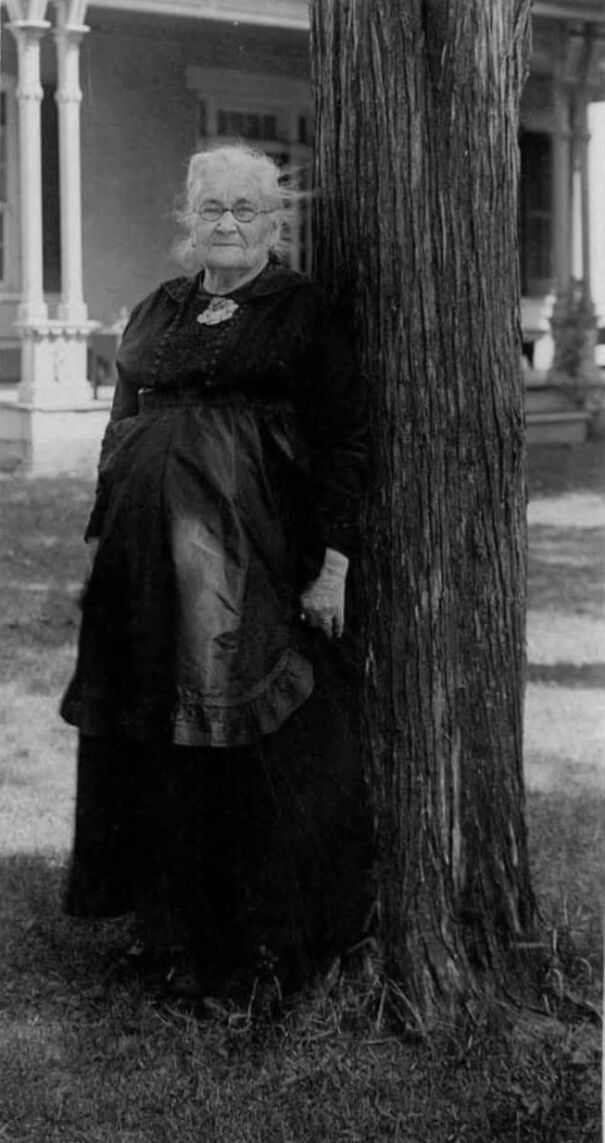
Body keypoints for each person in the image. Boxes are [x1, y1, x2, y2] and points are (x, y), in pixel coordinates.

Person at [60, 144, 372, 1001]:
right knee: (153, 745)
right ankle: (165, 931)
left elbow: (345, 443)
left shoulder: (301, 311)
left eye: (245, 209)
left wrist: (333, 565)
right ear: (185, 221)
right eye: (211, 209)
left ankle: (250, 950)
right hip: (140, 572)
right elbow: (121, 429)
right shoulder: (156, 308)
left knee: (238, 749)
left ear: (275, 222)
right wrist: (100, 543)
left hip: (250, 566)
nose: (227, 224)